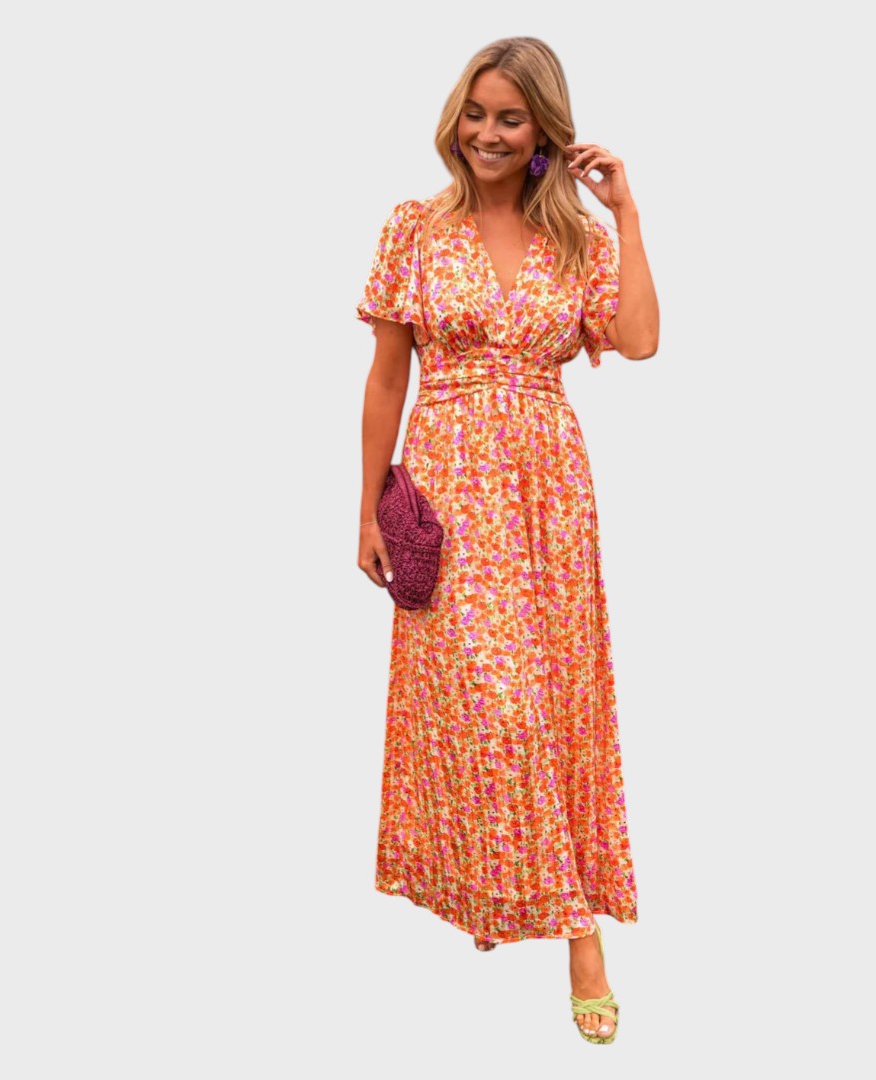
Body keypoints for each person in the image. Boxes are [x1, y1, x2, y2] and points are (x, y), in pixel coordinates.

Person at [354, 36, 659, 1043]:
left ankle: (546, 907)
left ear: (543, 132)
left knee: (553, 696)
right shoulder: (413, 228)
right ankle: (568, 928)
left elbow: (641, 339)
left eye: (511, 118)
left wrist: (625, 212)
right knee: (490, 699)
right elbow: (388, 376)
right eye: (477, 112)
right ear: (458, 118)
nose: (488, 133)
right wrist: (369, 506)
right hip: (449, 486)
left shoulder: (576, 240)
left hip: (547, 492)